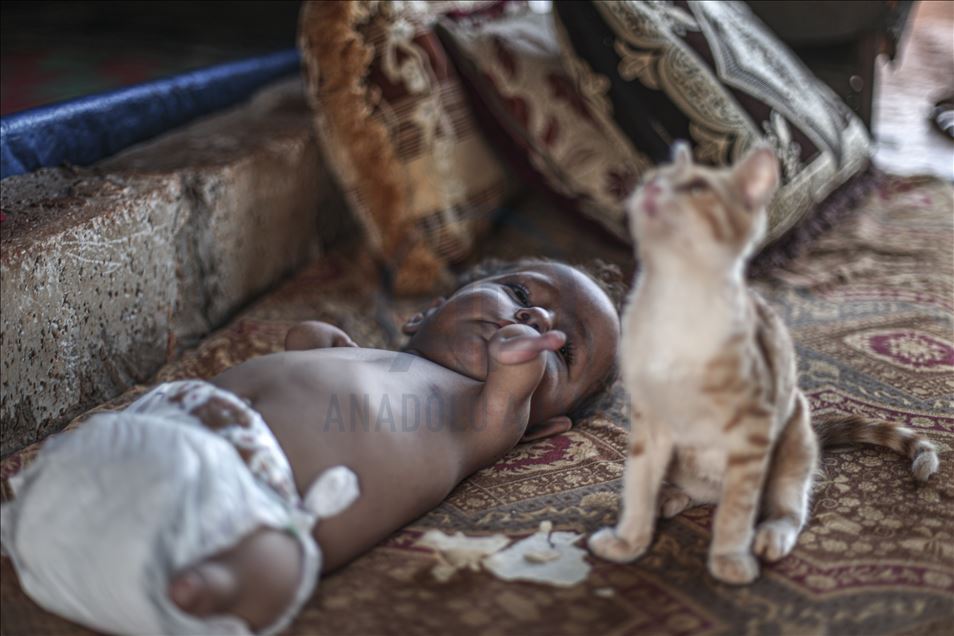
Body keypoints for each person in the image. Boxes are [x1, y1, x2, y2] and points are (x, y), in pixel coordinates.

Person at [1, 258, 621, 635]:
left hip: (257, 503)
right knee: (80, 462)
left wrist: (521, 367)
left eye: (564, 351)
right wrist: (321, 343)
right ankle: (42, 506)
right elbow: (313, 359)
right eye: (521, 294)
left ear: (540, 429)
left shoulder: (489, 419)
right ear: (429, 311)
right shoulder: (373, 358)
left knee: (276, 559)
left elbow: (512, 386)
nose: (538, 321)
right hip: (171, 429)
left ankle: (212, 587)